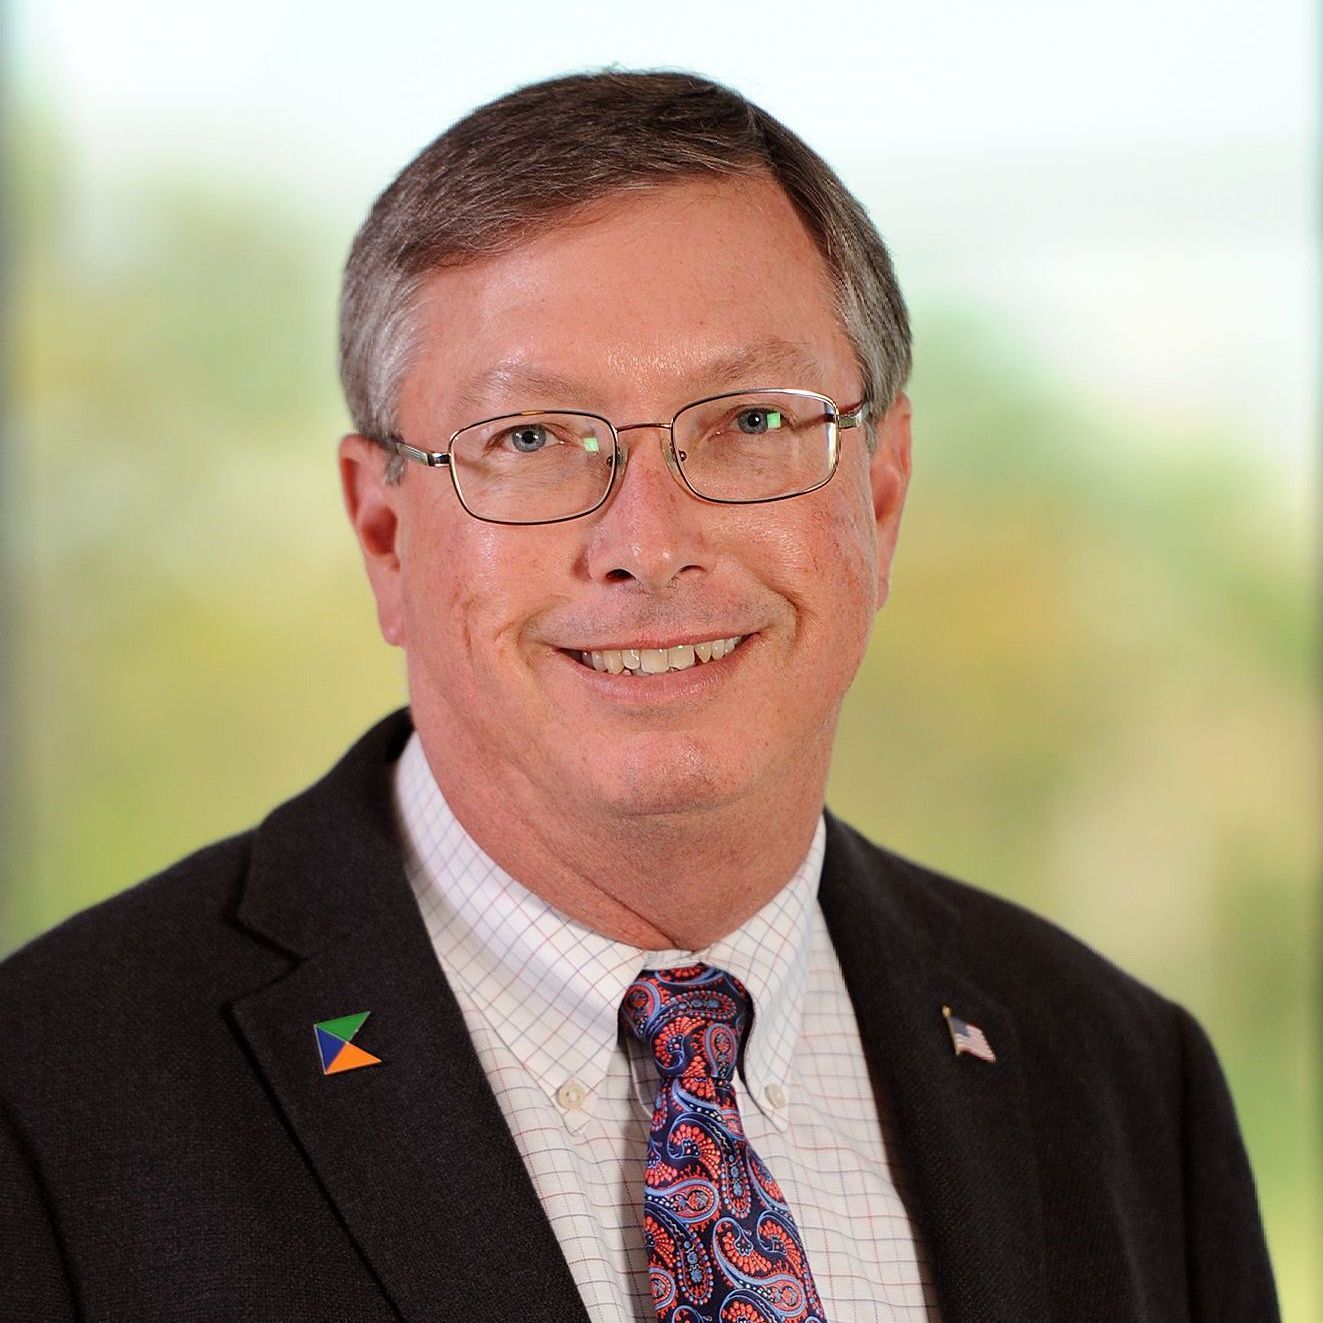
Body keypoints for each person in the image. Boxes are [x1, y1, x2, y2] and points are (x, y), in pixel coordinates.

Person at [0, 71, 1277, 1323]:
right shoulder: (47, 1100)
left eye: (754, 423)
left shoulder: (1121, 1082)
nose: (650, 542)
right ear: (384, 532)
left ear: (879, 498)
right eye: (533, 439)